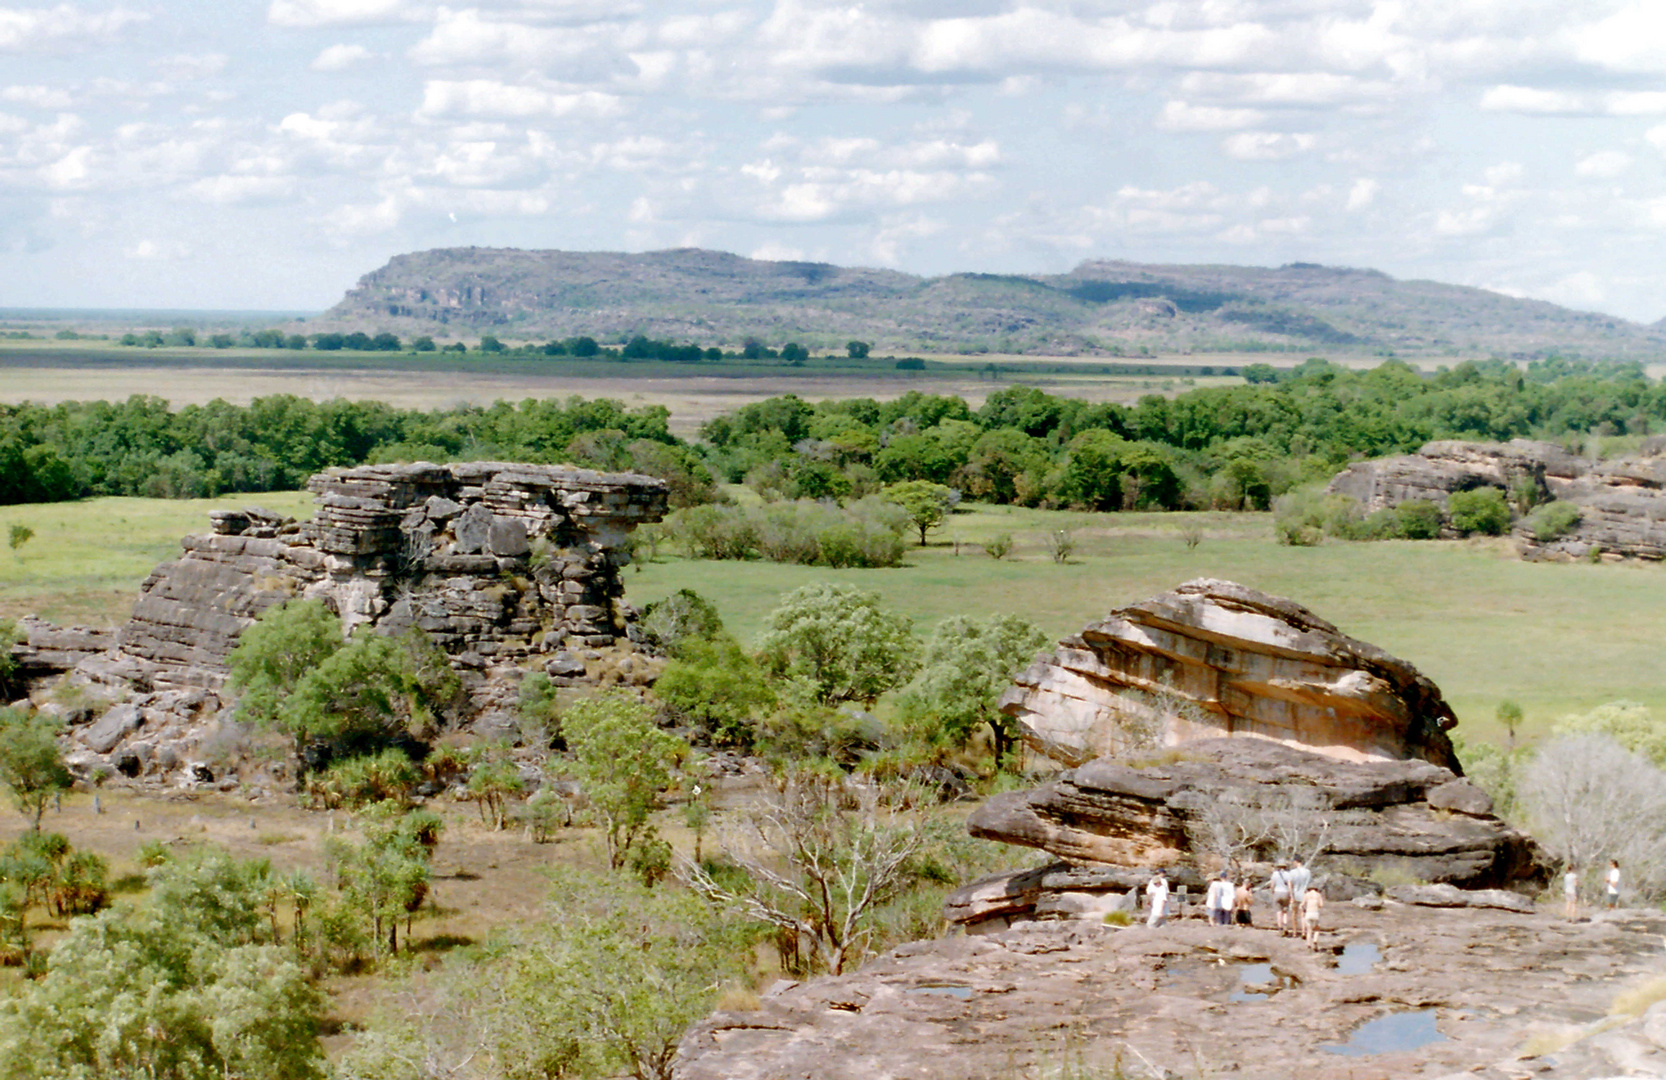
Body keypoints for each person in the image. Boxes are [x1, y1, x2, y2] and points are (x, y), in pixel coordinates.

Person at [1287, 857, 1314, 936]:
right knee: (1303, 914)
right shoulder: (1308, 872)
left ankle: (1295, 932)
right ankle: (1303, 932)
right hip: (1304, 894)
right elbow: (1309, 884)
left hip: (1295, 894)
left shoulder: (1292, 872)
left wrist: (1291, 896)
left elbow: (1290, 884)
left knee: (1294, 913)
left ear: (1296, 862)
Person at [1270, 861, 1292, 936]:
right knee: (1285, 911)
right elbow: (1289, 886)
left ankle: (1280, 928)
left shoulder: (1275, 874)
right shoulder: (1288, 874)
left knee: (1278, 912)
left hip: (1277, 892)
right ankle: (1285, 926)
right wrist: (1290, 894)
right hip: (1285, 893)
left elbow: (1272, 885)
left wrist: (1272, 892)